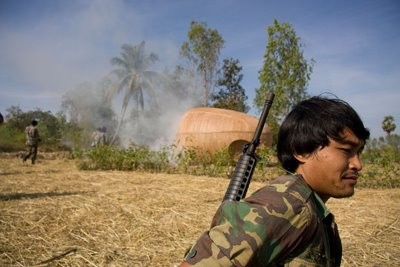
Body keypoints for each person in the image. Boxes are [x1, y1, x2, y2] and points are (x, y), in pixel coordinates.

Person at [179, 96, 370, 267]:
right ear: (302, 151)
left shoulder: (312, 210)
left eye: (358, 152)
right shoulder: (286, 206)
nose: (357, 164)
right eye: (346, 150)